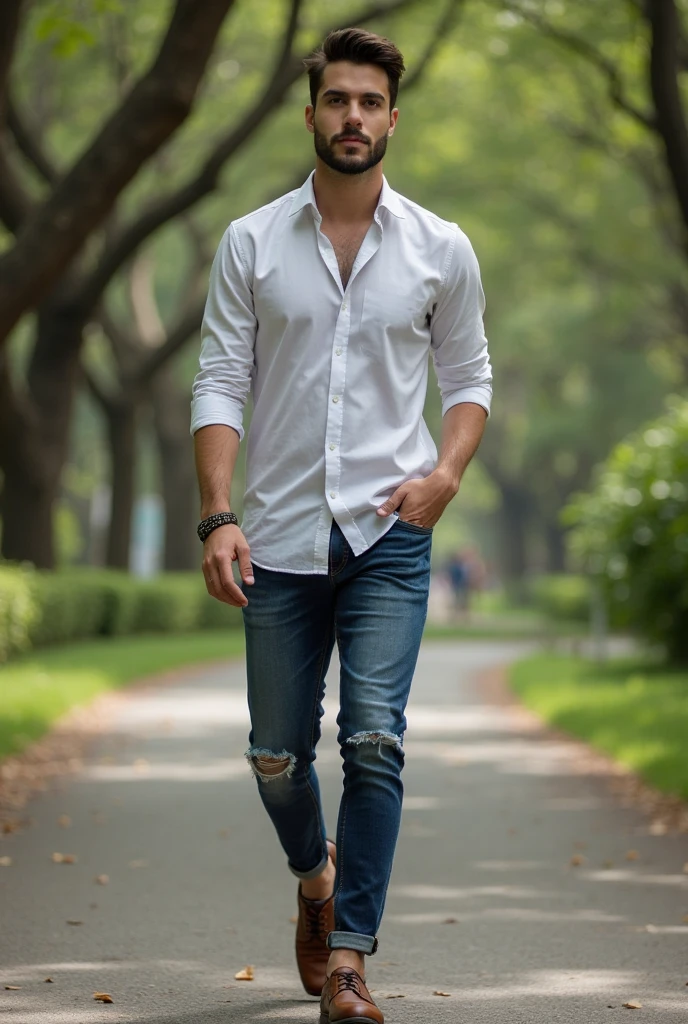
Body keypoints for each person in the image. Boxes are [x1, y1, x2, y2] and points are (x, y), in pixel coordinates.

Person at [191, 27, 492, 1024]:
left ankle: (351, 960)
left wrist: (445, 473)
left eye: (370, 102)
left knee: (372, 739)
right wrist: (218, 514)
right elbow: (221, 380)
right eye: (337, 100)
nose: (352, 117)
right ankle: (313, 881)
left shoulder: (441, 248)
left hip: (387, 537)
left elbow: (471, 380)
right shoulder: (250, 241)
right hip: (273, 533)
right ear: (311, 112)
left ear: (391, 119)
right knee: (275, 753)